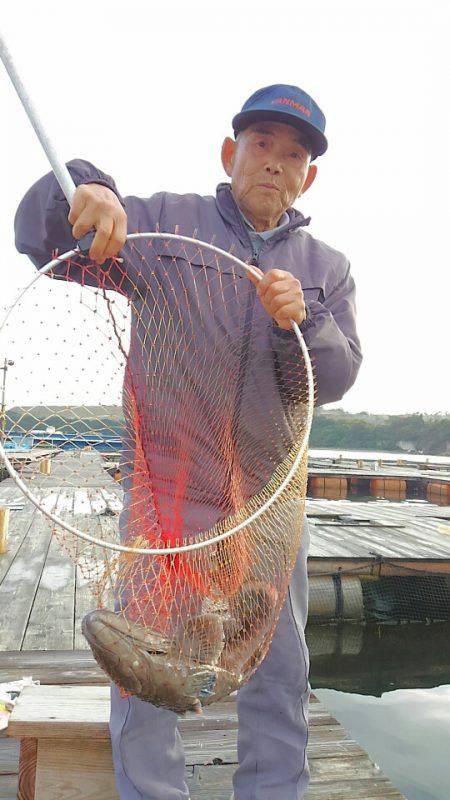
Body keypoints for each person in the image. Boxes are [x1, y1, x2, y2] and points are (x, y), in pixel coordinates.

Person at [15, 83, 362, 800]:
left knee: (277, 666)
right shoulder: (169, 222)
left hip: (269, 507)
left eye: (293, 153)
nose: (275, 162)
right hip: (171, 495)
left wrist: (301, 320)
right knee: (142, 672)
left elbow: (334, 377)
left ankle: (274, 790)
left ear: (309, 175)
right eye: (262, 144)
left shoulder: (326, 267)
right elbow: (43, 233)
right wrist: (91, 190)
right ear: (231, 152)